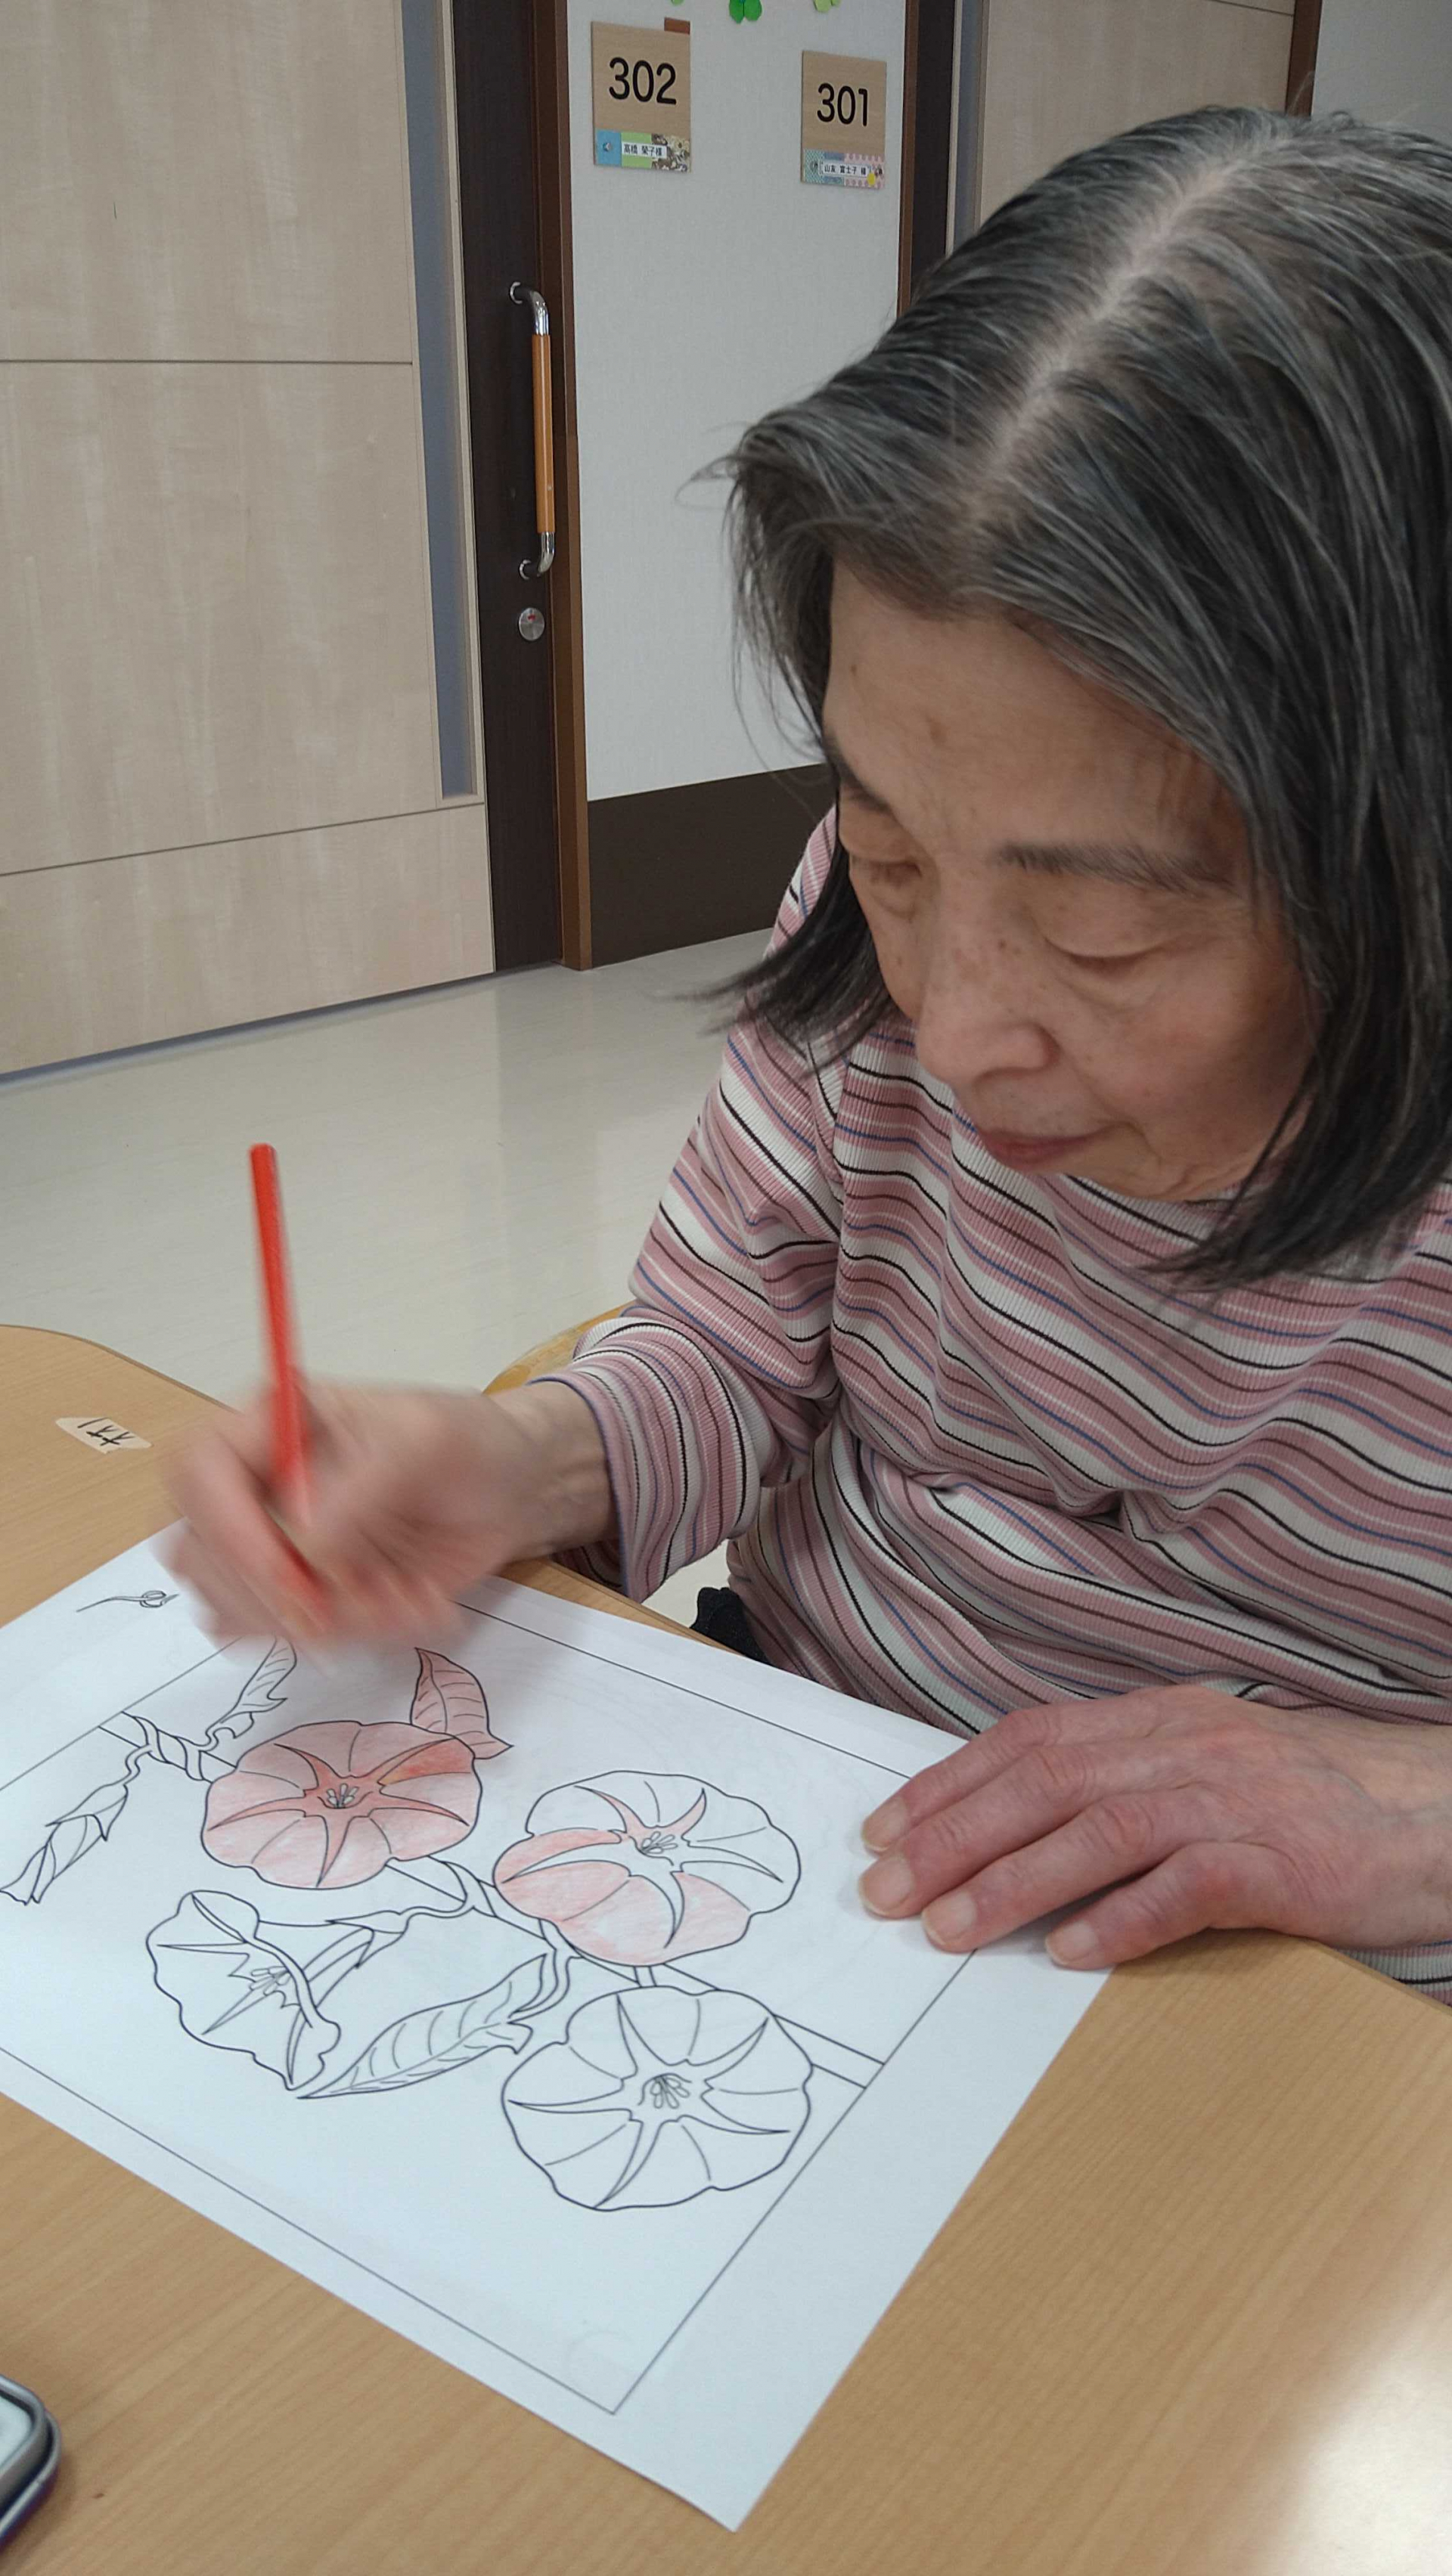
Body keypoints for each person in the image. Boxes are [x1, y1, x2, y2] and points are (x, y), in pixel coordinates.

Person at [172, 107, 1452, 2001]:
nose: (956, 1030)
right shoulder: (869, 937)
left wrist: (1405, 1809)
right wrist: (523, 1459)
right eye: (892, 846)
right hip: (800, 1802)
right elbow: (730, 1350)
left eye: (1104, 932)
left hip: (1307, 2000)